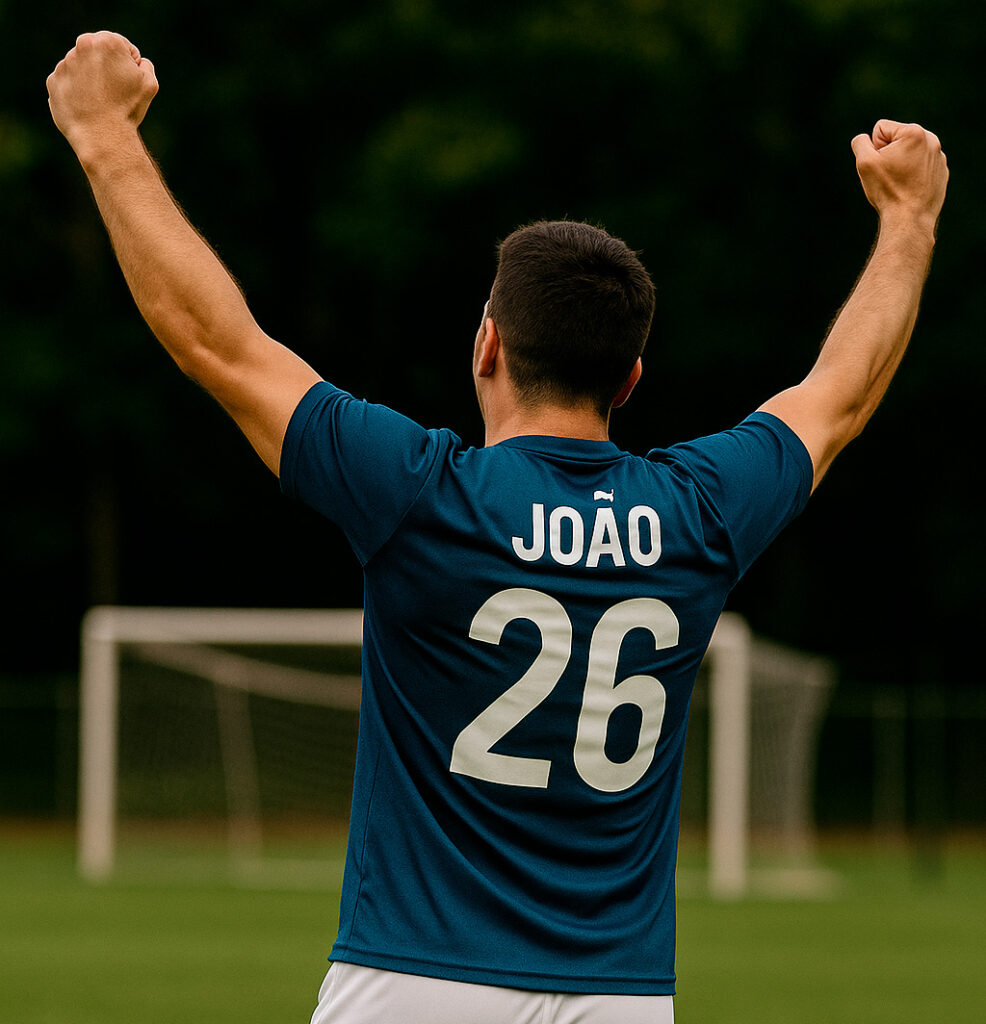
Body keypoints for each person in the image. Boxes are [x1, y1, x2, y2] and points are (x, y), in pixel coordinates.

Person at [47, 31, 948, 1024]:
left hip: (411, 981)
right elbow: (839, 396)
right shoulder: (698, 512)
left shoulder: (419, 494)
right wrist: (908, 218)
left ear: (487, 346)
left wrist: (104, 135)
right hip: (618, 999)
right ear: (629, 381)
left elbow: (214, 342)